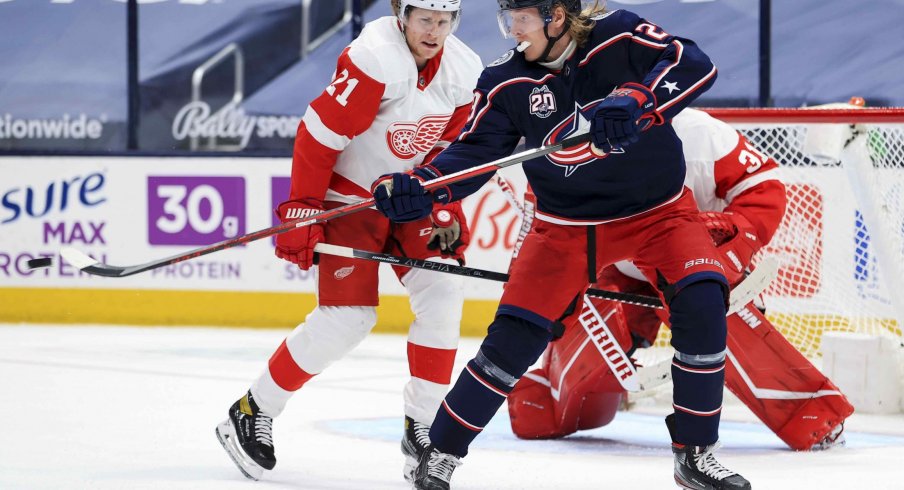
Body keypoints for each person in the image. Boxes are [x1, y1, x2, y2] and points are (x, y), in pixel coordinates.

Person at [371, 1, 751, 489]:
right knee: (512, 342)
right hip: (565, 226)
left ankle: (696, 454)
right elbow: (473, 153)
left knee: (702, 301)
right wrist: (420, 185)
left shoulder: (619, 34)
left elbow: (692, 61)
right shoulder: (505, 80)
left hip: (659, 213)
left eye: (522, 18)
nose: (513, 31)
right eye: (508, 19)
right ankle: (437, 451)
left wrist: (638, 98)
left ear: (556, 16)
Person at [215, 0, 483, 482]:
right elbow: (318, 135)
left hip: (409, 196)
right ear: (402, 15)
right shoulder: (374, 57)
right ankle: (254, 409)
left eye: (444, 20)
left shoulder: (465, 69)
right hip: (351, 195)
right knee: (348, 319)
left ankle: (421, 428)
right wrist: (302, 207)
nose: (435, 30)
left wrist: (443, 202)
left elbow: (451, 148)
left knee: (443, 290)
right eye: (425, 18)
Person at [507, 108, 855, 451]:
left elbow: (763, 188)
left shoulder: (702, 134)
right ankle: (555, 397)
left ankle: (810, 412)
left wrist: (734, 232)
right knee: (546, 406)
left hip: (697, 260)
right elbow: (543, 225)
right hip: (618, 268)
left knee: (718, 316)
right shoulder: (574, 137)